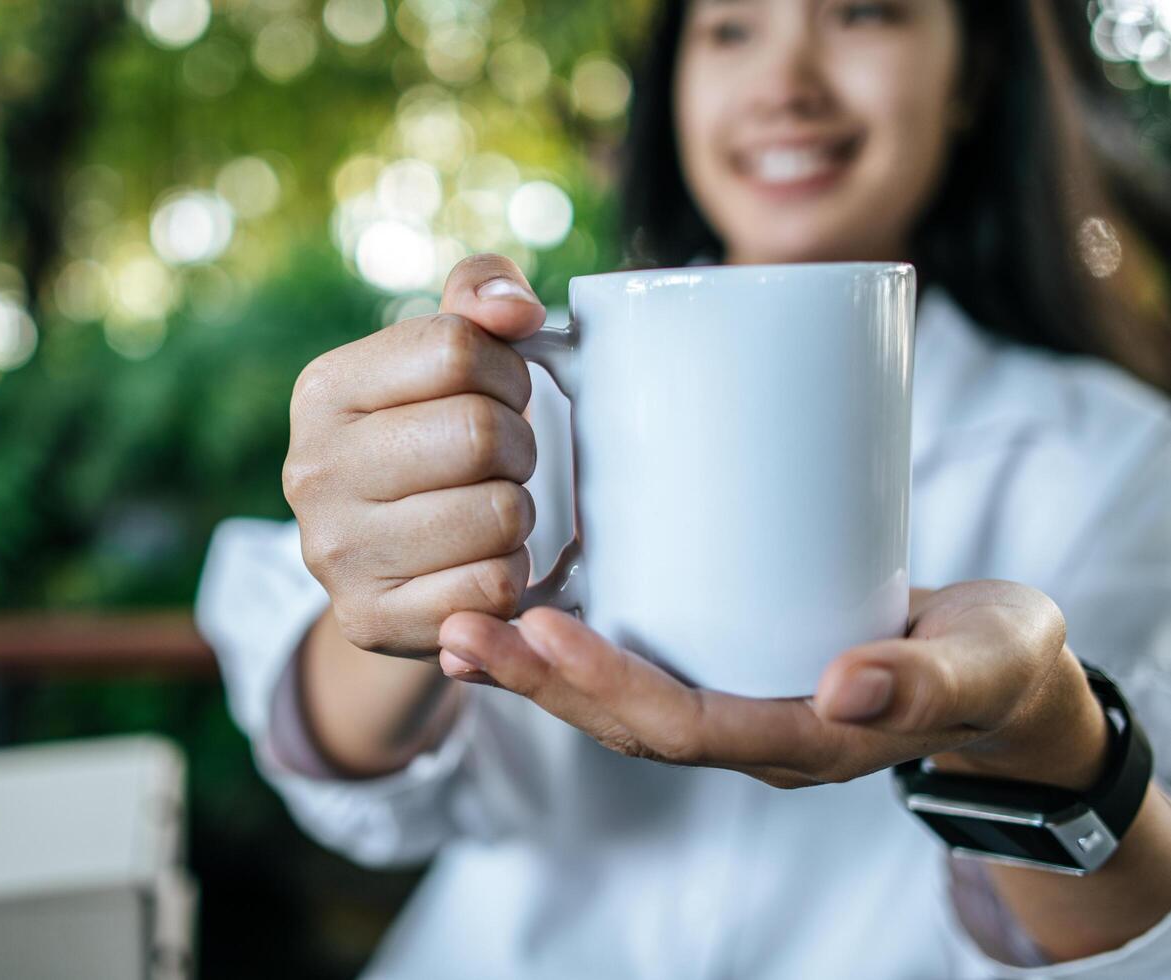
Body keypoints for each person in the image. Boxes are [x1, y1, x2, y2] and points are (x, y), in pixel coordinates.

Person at [196, 1, 1171, 976]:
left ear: (970, 77)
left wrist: (1037, 735)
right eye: (731, 29)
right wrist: (400, 582)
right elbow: (346, 763)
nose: (785, 84)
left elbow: (1124, 941)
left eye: (864, 13)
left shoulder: (1121, 456)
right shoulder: (542, 385)